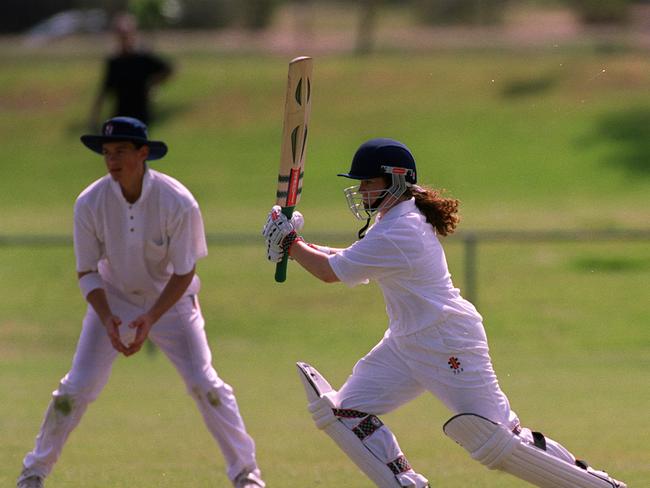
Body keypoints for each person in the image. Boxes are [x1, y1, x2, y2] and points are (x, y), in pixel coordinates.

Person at [262, 138, 627, 488]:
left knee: (498, 443)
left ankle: (598, 485)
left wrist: (291, 244)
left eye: (368, 183)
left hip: (445, 340)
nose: (361, 192)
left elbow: (330, 273)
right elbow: (346, 260)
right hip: (406, 343)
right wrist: (296, 243)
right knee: (343, 412)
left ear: (396, 180)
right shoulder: (393, 222)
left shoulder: (401, 229)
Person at [17, 117, 265, 488]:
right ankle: (32, 474)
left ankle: (246, 474)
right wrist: (107, 317)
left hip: (172, 302)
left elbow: (184, 272)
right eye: (106, 153)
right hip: (112, 301)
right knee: (75, 388)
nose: (112, 160)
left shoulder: (177, 201)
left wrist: (151, 317)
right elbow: (87, 272)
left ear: (143, 153)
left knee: (205, 384)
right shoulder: (90, 202)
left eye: (120, 152)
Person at [88, 13, 172, 131]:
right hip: (120, 115)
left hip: (141, 115)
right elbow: (104, 89)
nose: (124, 39)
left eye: (126, 35)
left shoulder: (143, 57)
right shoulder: (115, 61)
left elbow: (168, 68)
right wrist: (94, 117)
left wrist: (153, 84)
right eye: (120, 35)